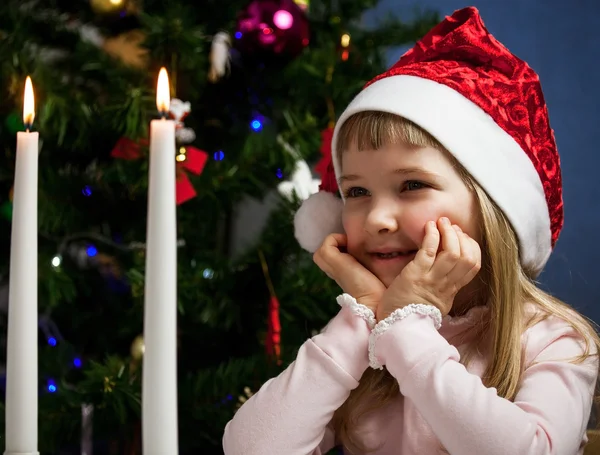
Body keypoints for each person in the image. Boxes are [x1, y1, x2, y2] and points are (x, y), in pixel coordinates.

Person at [222, 6, 600, 455]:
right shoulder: (360, 332)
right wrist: (363, 317)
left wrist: (406, 331)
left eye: (412, 185)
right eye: (356, 191)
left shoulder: (553, 340)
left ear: (493, 206)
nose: (378, 218)